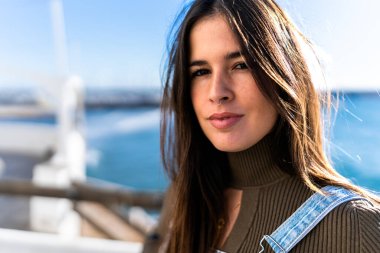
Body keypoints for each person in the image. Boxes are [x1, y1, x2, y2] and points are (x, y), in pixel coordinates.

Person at [143, 0, 380, 252]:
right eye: (201, 72)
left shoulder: (357, 225)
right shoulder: (183, 196)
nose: (217, 92)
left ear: (283, 73)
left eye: (241, 65)